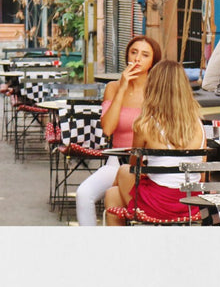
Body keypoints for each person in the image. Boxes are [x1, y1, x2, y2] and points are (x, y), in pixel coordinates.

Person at [103, 59, 206, 225]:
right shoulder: (199, 125)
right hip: (191, 205)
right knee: (112, 194)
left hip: (158, 206)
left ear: (152, 88)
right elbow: (201, 177)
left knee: (122, 173)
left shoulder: (145, 124)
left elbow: (135, 168)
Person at [74, 34, 162, 226]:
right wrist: (122, 88)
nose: (138, 58)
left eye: (145, 55)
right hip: (117, 162)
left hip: (151, 164)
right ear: (127, 56)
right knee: (83, 194)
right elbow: (107, 128)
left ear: (153, 61)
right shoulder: (113, 87)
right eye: (134, 52)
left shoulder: (158, 90)